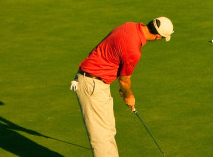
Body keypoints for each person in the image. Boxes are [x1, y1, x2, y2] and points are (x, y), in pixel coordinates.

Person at [73, 17, 174, 157]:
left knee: (108, 131)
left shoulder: (129, 26)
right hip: (92, 84)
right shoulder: (134, 50)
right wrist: (129, 95)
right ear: (158, 36)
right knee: (101, 139)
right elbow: (124, 80)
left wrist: (124, 89)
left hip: (98, 83)